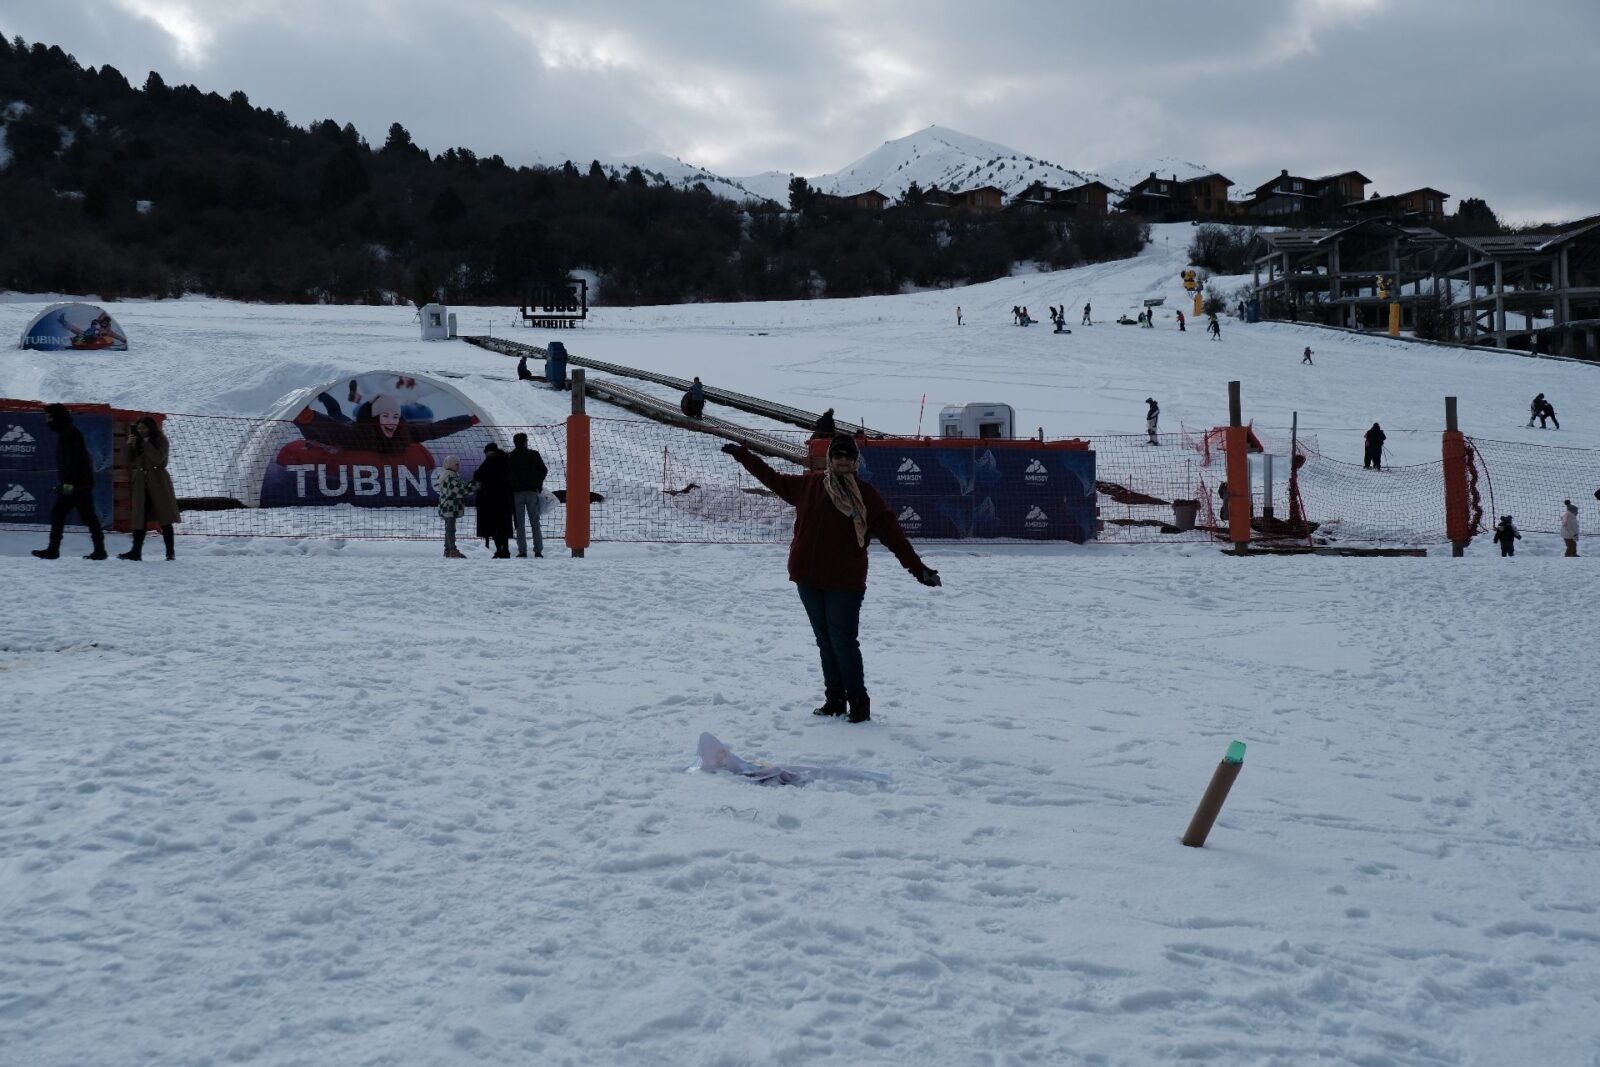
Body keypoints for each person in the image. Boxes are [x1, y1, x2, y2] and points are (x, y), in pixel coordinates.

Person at [720, 434, 940, 724]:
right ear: (830, 458)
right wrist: (744, 456)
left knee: (843, 643)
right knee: (825, 641)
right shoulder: (809, 485)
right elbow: (772, 478)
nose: (843, 460)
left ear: (856, 461)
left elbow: (893, 537)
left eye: (849, 456)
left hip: (844, 583)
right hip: (808, 579)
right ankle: (834, 700)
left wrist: (918, 569)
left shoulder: (866, 495)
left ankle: (858, 703)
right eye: (838, 455)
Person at [31, 403, 107, 560]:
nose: (47, 420)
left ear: (57, 417)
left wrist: (68, 484)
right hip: (74, 484)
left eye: (49, 417)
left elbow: (74, 462)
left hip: (78, 485)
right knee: (60, 513)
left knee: (87, 516)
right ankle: (53, 550)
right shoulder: (66, 433)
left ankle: (99, 551)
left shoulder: (70, 434)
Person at [117, 416, 181, 561]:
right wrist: (129, 445)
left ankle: (170, 552)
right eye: (139, 428)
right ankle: (136, 552)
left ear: (151, 428)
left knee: (165, 517)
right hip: (141, 482)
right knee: (139, 517)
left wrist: (146, 444)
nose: (141, 431)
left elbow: (158, 458)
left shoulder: (161, 440)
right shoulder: (137, 441)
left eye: (144, 428)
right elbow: (128, 460)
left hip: (158, 481)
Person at [508, 432, 549, 558]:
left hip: (516, 494)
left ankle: (522, 551)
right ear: (525, 442)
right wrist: (537, 483)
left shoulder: (510, 456)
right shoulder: (534, 454)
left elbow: (505, 475)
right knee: (535, 522)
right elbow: (544, 470)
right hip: (531, 492)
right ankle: (538, 550)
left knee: (519, 524)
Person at [472, 441, 514, 558]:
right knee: (503, 526)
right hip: (504, 499)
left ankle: (499, 550)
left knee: (493, 526)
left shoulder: (489, 462)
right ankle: (505, 550)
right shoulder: (505, 460)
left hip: (490, 500)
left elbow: (479, 475)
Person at [436, 455, 470, 558]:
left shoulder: (449, 474)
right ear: (450, 465)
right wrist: (473, 486)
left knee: (449, 528)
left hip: (447, 506)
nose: (458, 466)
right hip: (449, 506)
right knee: (450, 529)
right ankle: (452, 550)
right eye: (456, 464)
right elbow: (459, 490)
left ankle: (448, 549)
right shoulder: (449, 476)